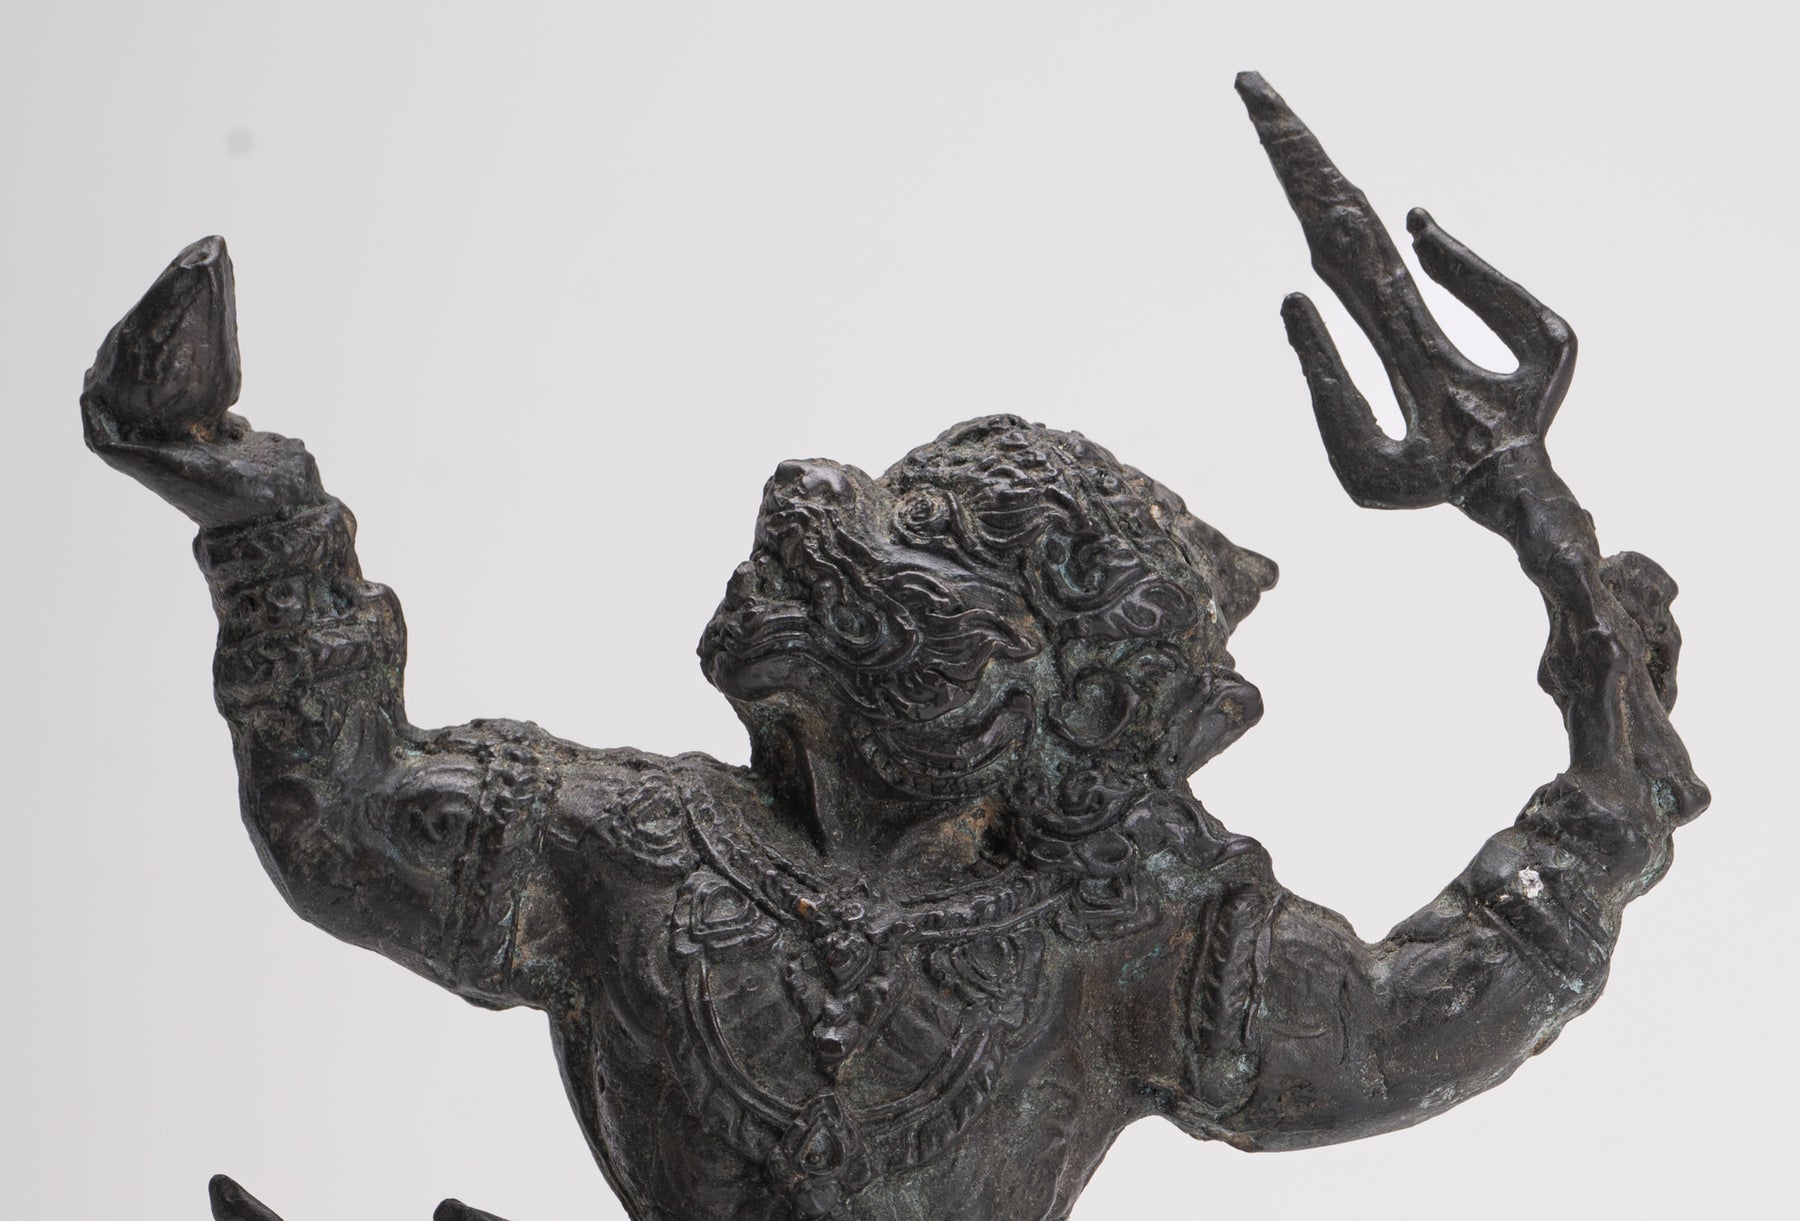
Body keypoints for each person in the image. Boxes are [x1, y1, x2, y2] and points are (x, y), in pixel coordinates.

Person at [81, 74, 1706, 1221]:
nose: (829, 517)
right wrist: (267, 523)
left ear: (1049, 685)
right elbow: (346, 816)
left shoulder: (1126, 935)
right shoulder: (624, 845)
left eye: (931, 539)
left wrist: (1605, 769)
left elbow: (1406, 1021)